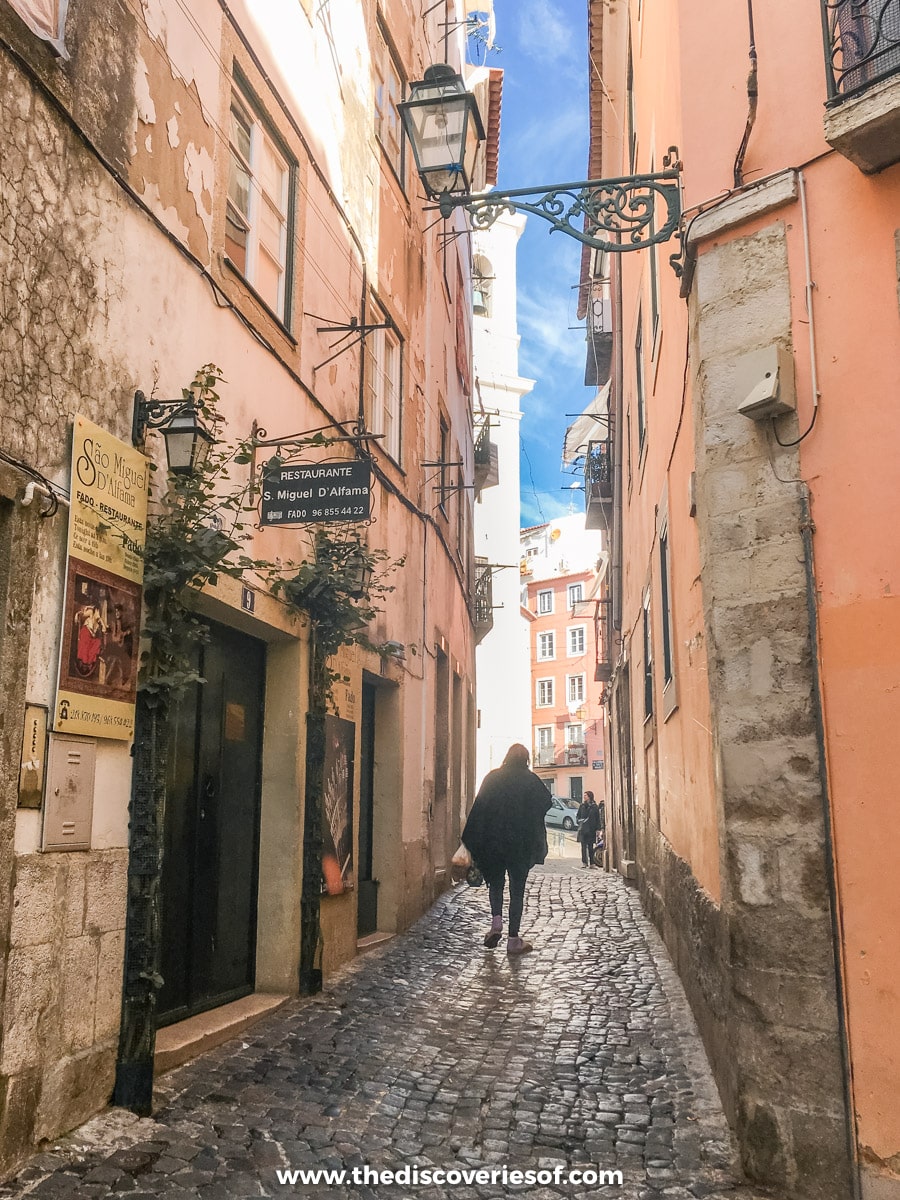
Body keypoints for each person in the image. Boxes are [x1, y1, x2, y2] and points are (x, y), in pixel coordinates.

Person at [461, 743, 552, 956]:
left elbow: (479, 808)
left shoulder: (492, 778)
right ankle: (513, 939)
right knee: (517, 889)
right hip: (520, 845)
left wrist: (472, 842)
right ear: (526, 760)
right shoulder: (530, 780)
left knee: (496, 884)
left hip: (493, 844)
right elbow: (546, 802)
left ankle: (496, 923)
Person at [576, 791, 601, 868]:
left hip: (591, 829)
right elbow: (578, 816)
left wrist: (598, 829)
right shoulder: (582, 806)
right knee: (583, 847)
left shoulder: (594, 807)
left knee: (590, 847)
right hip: (583, 829)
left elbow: (597, 819)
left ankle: (592, 863)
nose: (584, 797)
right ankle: (584, 863)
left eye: (586, 795)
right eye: (584, 795)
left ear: (590, 796)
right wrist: (579, 821)